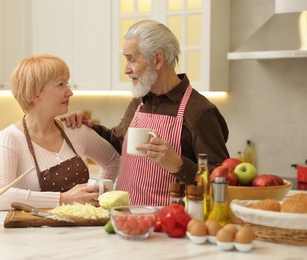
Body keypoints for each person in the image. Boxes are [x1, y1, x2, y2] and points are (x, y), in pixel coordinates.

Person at [63, 20, 229, 206]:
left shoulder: (199, 112)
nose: (126, 69)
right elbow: (118, 142)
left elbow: (222, 183)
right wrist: (88, 126)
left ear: (158, 60)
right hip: (125, 219)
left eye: (132, 59)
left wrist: (179, 165)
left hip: (169, 226)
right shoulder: (140, 101)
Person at [0, 54, 120, 210]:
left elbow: (113, 160)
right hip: (35, 233)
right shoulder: (8, 139)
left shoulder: (75, 129)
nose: (69, 92)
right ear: (35, 94)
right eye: (60, 85)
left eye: (67, 84)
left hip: (83, 230)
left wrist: (99, 196)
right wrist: (64, 199)